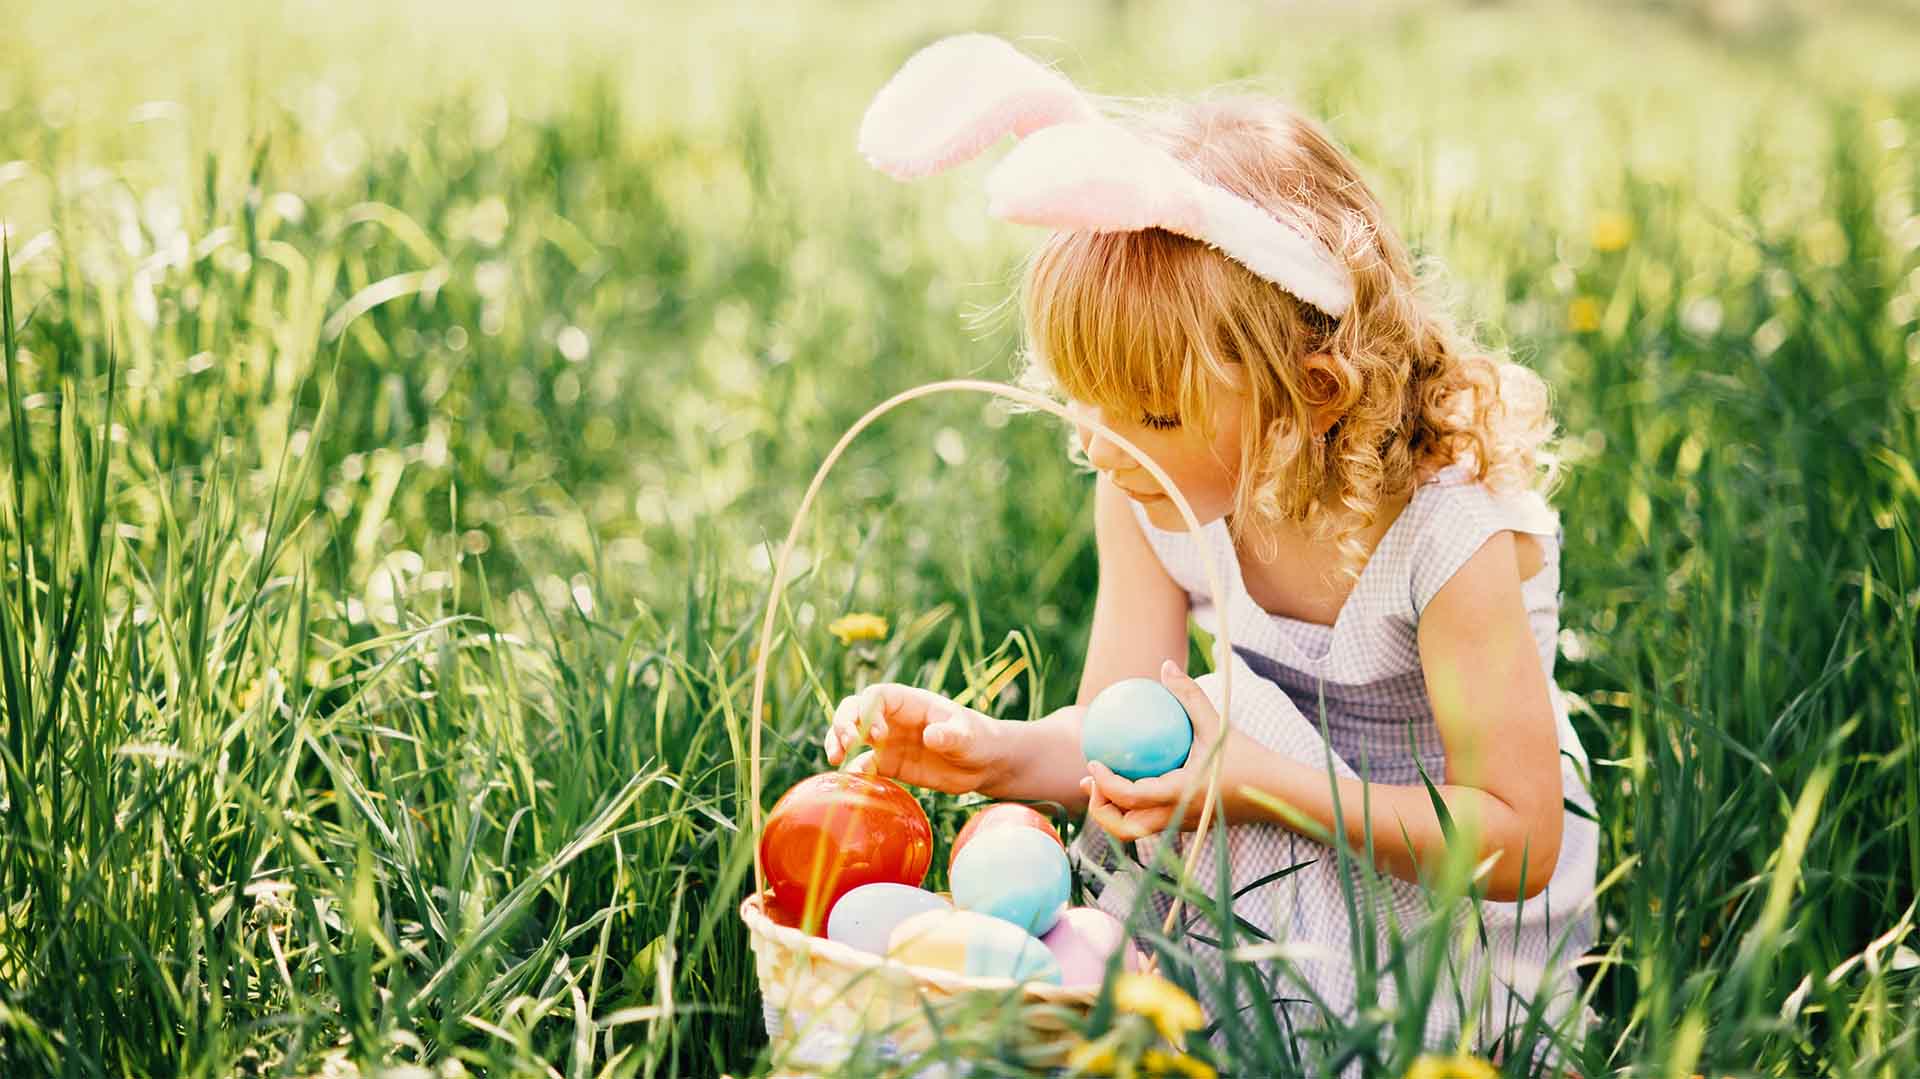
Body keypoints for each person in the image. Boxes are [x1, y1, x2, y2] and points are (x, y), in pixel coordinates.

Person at [827, 34, 1598, 1073]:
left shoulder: (1447, 535)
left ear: (1310, 395)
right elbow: (1126, 746)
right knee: (1198, 733)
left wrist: (1257, 778)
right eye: (1082, 400)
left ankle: (1190, 1014)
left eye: (1149, 408)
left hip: (1447, 942)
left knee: (1230, 712)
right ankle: (1085, 991)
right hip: (1259, 865)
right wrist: (997, 753)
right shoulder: (1144, 490)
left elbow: (1517, 837)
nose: (1101, 442)